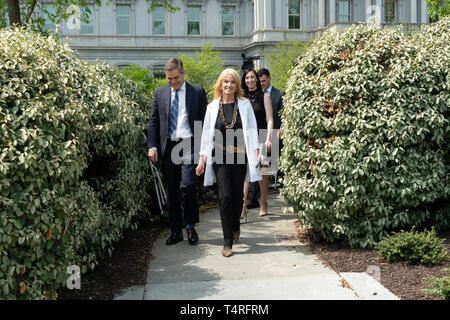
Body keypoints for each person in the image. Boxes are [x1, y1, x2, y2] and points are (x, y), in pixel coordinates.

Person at [195, 68, 261, 257]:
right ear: (220, 84)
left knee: (237, 198)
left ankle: (235, 224)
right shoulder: (212, 107)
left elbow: (252, 132)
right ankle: (227, 242)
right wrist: (202, 161)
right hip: (219, 157)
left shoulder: (245, 105)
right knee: (224, 197)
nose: (229, 85)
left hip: (240, 157)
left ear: (236, 85)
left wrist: (256, 156)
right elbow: (206, 136)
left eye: (232, 82)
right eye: (226, 82)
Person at [147, 58, 207, 246]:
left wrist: (204, 150)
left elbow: (204, 123)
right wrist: (152, 146)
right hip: (169, 146)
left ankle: (190, 226)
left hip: (189, 144)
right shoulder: (160, 93)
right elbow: (154, 121)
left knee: (189, 185)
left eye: (175, 78)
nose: (172, 82)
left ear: (183, 73)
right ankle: (175, 230)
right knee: (171, 189)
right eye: (169, 79)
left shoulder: (197, 92)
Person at [240, 68, 274, 219]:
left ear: (257, 80)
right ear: (244, 80)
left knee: (263, 170)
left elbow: (270, 119)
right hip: (245, 136)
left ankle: (263, 202)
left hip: (261, 134)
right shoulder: (241, 97)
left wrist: (268, 138)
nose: (250, 80)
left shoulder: (265, 96)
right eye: (247, 78)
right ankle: (243, 206)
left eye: (252, 78)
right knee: (244, 171)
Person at [257, 68, 285, 186]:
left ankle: (279, 182)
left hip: (276, 133)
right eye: (260, 82)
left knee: (276, 160)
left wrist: (282, 129)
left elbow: (284, 114)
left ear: (269, 78)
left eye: (264, 81)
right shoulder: (256, 95)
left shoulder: (279, 94)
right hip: (259, 133)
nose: (262, 84)